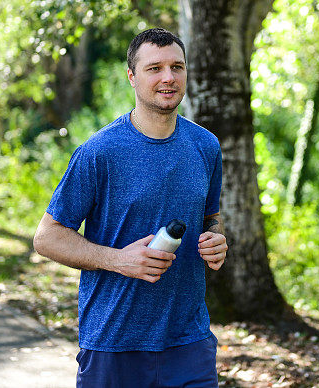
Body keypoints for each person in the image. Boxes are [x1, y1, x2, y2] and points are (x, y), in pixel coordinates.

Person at [33, 27, 229, 388]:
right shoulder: (99, 152)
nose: (168, 78)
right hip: (113, 343)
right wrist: (117, 259)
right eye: (154, 68)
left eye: (177, 67)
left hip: (189, 342)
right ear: (132, 77)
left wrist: (216, 240)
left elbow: (210, 218)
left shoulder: (206, 146)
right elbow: (46, 238)